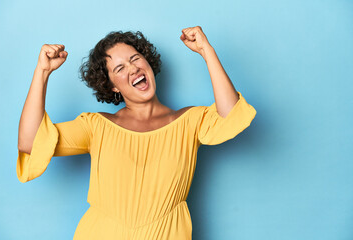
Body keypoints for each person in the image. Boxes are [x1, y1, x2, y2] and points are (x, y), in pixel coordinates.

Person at [17, 26, 257, 240]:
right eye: (120, 68)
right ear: (111, 86)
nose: (133, 69)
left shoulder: (188, 122)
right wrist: (42, 72)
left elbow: (231, 114)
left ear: (148, 63)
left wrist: (207, 51)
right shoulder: (96, 127)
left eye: (136, 59)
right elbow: (30, 142)